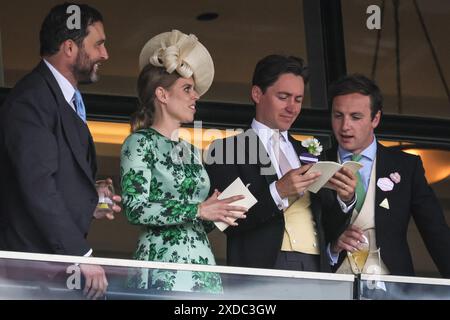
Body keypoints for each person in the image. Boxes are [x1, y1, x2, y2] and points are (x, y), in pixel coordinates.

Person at [0, 3, 121, 299]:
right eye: (98, 44)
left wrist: (89, 198)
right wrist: (81, 254)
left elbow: (53, 179)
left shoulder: (58, 98)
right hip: (27, 276)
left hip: (46, 275)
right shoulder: (31, 100)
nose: (104, 54)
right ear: (69, 47)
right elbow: (38, 187)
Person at [120, 30, 247, 293]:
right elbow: (135, 208)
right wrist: (198, 209)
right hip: (160, 270)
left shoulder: (189, 150)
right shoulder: (139, 142)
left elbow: (198, 220)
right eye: (187, 89)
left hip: (202, 271)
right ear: (162, 95)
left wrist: (219, 210)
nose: (195, 96)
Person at [205, 54, 357, 272]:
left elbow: (329, 227)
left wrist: (345, 199)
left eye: (298, 99)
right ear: (257, 94)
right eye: (283, 97)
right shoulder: (226, 150)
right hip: (264, 266)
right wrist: (278, 191)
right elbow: (229, 220)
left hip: (316, 266)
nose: (292, 108)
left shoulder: (308, 152)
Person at [328, 74, 450, 278]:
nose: (345, 126)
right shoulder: (315, 162)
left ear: (375, 118)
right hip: (329, 283)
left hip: (391, 283)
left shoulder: (406, 166)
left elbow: (434, 230)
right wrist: (331, 246)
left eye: (355, 117)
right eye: (338, 115)